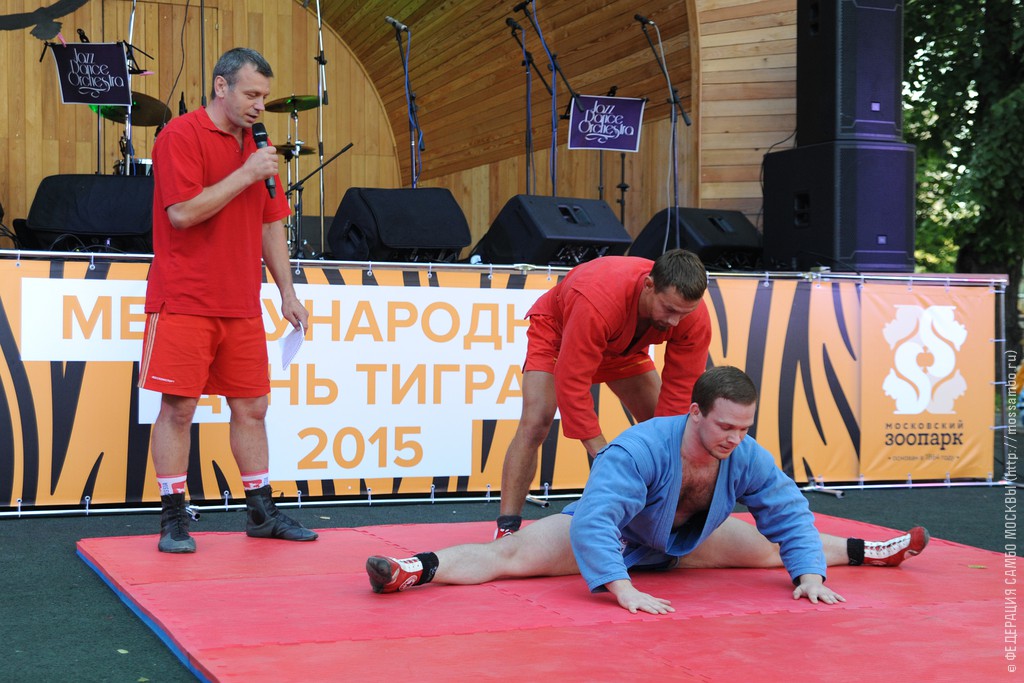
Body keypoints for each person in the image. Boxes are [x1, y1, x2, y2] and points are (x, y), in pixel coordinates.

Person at [367, 366, 929, 613]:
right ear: (694, 413)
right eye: (725, 426)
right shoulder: (638, 449)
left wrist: (809, 576)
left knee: (772, 549)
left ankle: (872, 551)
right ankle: (411, 569)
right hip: (618, 537)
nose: (734, 439)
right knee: (509, 556)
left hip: (684, 541)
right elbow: (596, 520)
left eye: (744, 428)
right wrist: (621, 587)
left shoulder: (745, 453)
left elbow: (788, 513)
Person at [139, 47, 317, 553]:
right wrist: (246, 173)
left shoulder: (260, 147)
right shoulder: (180, 135)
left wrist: (287, 291)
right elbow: (181, 214)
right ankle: (173, 517)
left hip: (240, 301)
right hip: (184, 297)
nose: (260, 105)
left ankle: (260, 512)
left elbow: (271, 222)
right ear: (221, 86)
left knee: (253, 407)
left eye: (264, 96)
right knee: (179, 408)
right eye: (251, 94)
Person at [496, 249, 713, 538]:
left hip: (624, 349)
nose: (675, 321)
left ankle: (659, 523)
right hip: (558, 335)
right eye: (669, 310)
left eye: (683, 313)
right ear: (649, 285)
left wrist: (668, 456)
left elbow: (681, 390)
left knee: (668, 434)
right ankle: (506, 528)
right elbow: (572, 382)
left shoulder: (693, 316)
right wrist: (605, 456)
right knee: (536, 421)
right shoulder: (597, 299)